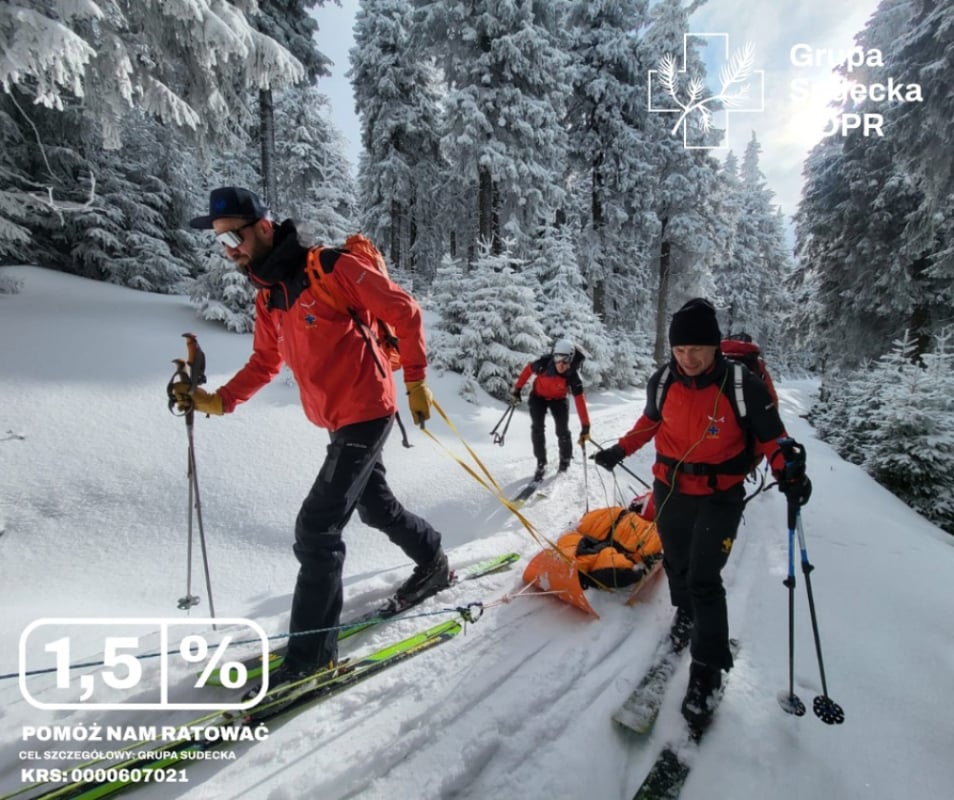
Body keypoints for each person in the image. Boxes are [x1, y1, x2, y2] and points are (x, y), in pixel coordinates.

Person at [175, 186, 450, 689]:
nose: (230, 248)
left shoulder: (329, 268)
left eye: (235, 234)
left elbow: (404, 311)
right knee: (374, 507)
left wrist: (415, 381)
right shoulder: (270, 296)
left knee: (317, 529)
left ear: (263, 226)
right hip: (336, 419)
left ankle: (311, 659)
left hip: (367, 412)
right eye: (220, 241)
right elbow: (264, 361)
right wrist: (220, 400)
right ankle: (432, 559)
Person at [592, 298, 812, 730]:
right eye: (679, 350)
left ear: (714, 348)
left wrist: (789, 472)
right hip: (671, 488)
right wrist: (620, 448)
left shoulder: (741, 384)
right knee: (676, 563)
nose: (687, 359)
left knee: (705, 579)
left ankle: (707, 671)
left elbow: (773, 439)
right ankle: (685, 614)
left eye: (696, 349)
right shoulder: (663, 381)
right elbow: (649, 423)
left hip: (719, 495)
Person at [511, 339, 591, 481]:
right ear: (554, 356)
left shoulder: (573, 376)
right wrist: (517, 389)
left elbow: (580, 401)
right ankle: (541, 462)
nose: (561, 364)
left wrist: (586, 425)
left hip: (559, 400)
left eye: (565, 360)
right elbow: (528, 370)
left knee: (562, 431)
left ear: (571, 359)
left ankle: (565, 461)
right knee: (537, 429)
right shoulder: (543, 364)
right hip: (538, 397)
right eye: (558, 358)